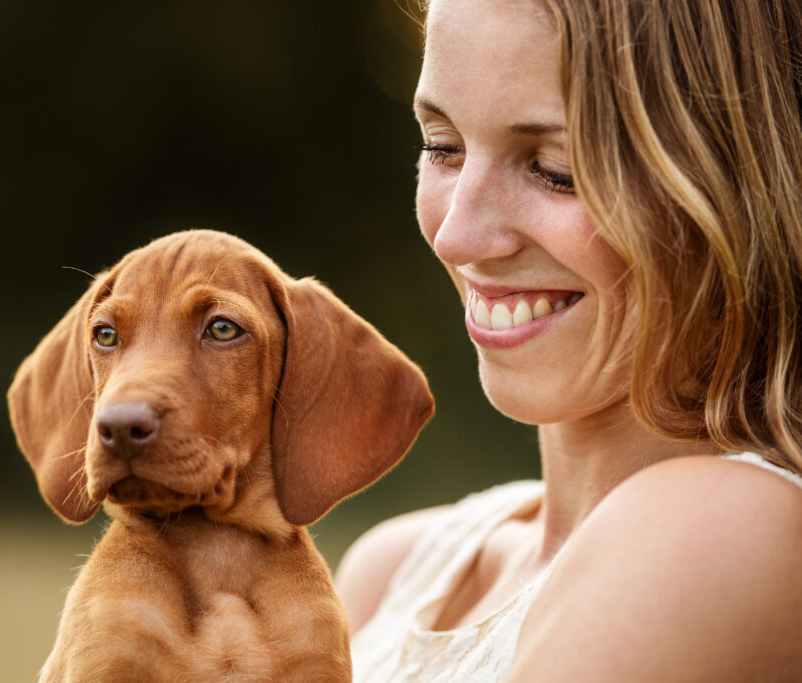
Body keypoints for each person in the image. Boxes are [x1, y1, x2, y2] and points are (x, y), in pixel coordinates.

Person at [335, 0, 802, 680]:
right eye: (442, 147)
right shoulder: (397, 569)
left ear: (735, 180)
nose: (456, 235)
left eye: (555, 169)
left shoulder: (719, 535)